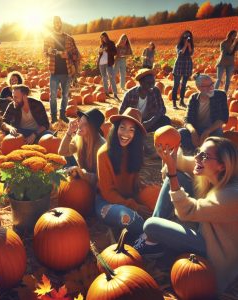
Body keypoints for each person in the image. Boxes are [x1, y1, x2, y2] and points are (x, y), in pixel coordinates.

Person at [134, 136, 238, 293]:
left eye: (204, 156)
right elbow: (184, 162)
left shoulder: (231, 196)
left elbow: (187, 211)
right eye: (198, 152)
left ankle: (151, 236)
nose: (197, 157)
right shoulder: (218, 174)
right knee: (180, 178)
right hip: (205, 229)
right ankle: (150, 239)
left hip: (212, 253)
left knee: (151, 225)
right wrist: (172, 147)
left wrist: (172, 172)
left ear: (222, 166)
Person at [95, 107, 151, 244]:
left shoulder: (136, 151)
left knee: (156, 197)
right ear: (116, 129)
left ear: (136, 134)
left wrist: (143, 188)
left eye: (131, 130)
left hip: (128, 197)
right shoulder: (104, 154)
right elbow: (107, 192)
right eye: (122, 127)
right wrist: (134, 206)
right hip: (106, 202)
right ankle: (145, 239)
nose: (126, 133)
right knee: (127, 216)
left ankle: (148, 232)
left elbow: (133, 179)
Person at [179, 74, 228, 154]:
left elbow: (223, 118)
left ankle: (205, 153)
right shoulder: (193, 98)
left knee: (218, 134)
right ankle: (193, 151)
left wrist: (207, 131)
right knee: (181, 132)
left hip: (212, 130)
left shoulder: (220, 95)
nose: (211, 88)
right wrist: (193, 132)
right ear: (198, 88)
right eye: (206, 86)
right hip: (197, 130)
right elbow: (187, 120)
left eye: (211, 84)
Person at [43, 16, 80, 124]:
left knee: (65, 95)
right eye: (55, 22)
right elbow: (44, 53)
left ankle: (62, 114)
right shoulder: (48, 38)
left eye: (59, 22)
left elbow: (76, 54)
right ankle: (54, 116)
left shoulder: (69, 38)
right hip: (54, 72)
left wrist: (67, 55)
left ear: (61, 23)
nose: (57, 24)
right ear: (53, 24)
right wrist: (49, 52)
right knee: (53, 95)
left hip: (66, 72)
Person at [58, 108, 106, 186]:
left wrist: (82, 173)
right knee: (64, 160)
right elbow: (62, 152)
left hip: (93, 184)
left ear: (92, 129)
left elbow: (101, 178)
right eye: (80, 121)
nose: (79, 125)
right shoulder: (79, 138)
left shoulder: (101, 146)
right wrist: (69, 132)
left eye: (85, 124)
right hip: (81, 173)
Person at [119, 68, 171, 132]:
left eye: (153, 83)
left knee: (165, 120)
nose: (152, 86)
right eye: (148, 83)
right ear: (141, 83)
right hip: (133, 122)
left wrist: (150, 121)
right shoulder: (130, 94)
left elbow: (162, 109)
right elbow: (121, 113)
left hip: (149, 121)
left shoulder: (155, 91)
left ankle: (146, 132)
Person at [172, 30, 194, 109]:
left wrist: (189, 45)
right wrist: (185, 45)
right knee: (176, 85)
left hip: (187, 65)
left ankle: (181, 101)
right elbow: (181, 53)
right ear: (182, 37)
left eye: (188, 37)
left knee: (184, 85)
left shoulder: (190, 45)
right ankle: (174, 102)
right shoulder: (178, 45)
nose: (186, 39)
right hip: (179, 65)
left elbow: (191, 53)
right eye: (185, 37)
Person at [98, 32, 119, 101]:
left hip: (109, 63)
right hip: (101, 63)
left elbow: (115, 53)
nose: (103, 39)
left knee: (112, 78)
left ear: (106, 36)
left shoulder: (111, 43)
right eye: (101, 38)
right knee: (104, 78)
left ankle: (115, 93)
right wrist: (100, 52)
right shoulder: (101, 45)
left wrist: (107, 51)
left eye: (103, 37)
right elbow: (100, 54)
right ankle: (106, 93)